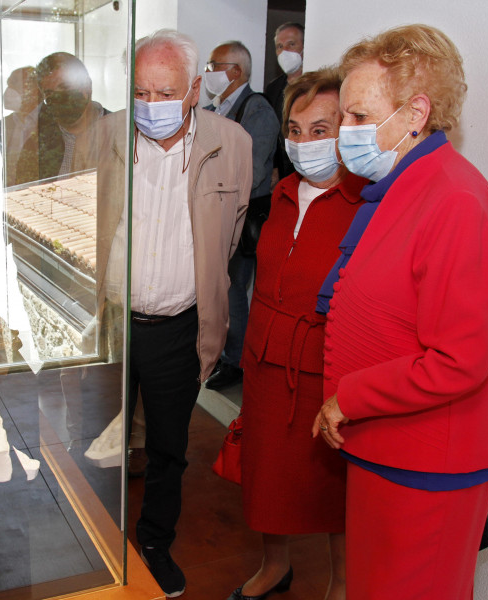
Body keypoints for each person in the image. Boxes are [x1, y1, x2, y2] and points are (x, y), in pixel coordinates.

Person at [312, 24, 488, 600]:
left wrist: (350, 397)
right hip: (386, 447)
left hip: (427, 464)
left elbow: (458, 360)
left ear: (415, 112)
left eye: (357, 117)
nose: (345, 134)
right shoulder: (403, 187)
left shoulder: (455, 201)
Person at [90, 29, 252, 597]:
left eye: (165, 93)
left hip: (179, 329)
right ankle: (86, 537)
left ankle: (154, 541)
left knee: (167, 447)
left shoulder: (231, 141)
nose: (150, 106)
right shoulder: (104, 133)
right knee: (91, 435)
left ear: (192, 92)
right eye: (140, 92)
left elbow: (229, 236)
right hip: (109, 323)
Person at [229, 68, 365, 600]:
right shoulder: (282, 194)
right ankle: (274, 566)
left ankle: (342, 584)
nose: (305, 142)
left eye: (321, 129)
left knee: (334, 489)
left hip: (326, 369)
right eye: (296, 129)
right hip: (264, 362)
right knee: (266, 476)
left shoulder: (366, 205)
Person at [201, 41, 279, 390]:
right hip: (211, 215)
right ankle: (216, 352)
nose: (208, 73)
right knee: (215, 289)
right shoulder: (212, 108)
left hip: (239, 219)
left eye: (213, 65)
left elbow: (255, 172)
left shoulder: (256, 109)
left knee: (234, 292)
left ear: (235, 71)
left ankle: (236, 361)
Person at [15, 52, 106, 184]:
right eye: (50, 93)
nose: (58, 97)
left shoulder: (120, 133)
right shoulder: (38, 144)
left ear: (86, 85)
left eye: (64, 87)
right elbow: (21, 195)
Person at [264, 22, 305, 184]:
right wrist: (274, 166)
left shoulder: (315, 85)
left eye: (291, 44)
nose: (284, 51)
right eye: (279, 47)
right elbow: (271, 130)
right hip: (282, 165)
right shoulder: (273, 87)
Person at [0, 66, 41, 187]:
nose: (8, 91)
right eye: (8, 85)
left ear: (34, 89)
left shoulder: (52, 122)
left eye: (14, 84)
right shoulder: (5, 124)